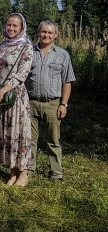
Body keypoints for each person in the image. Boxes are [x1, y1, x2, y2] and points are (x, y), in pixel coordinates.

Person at [26, 20, 75, 181]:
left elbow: (67, 81)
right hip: (31, 102)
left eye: (50, 32)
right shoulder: (29, 52)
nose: (46, 35)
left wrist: (63, 104)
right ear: (38, 33)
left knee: (53, 140)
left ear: (56, 35)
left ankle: (56, 173)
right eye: (43, 32)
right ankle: (29, 170)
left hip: (52, 103)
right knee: (30, 140)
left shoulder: (62, 55)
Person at [0, 13, 34, 187]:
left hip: (15, 96)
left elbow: (21, 75)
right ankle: (12, 172)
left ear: (22, 27)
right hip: (1, 94)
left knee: (19, 133)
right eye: (9, 25)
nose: (11, 28)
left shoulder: (26, 46)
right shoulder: (2, 45)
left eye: (15, 26)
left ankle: (23, 173)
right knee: (8, 134)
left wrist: (3, 91)